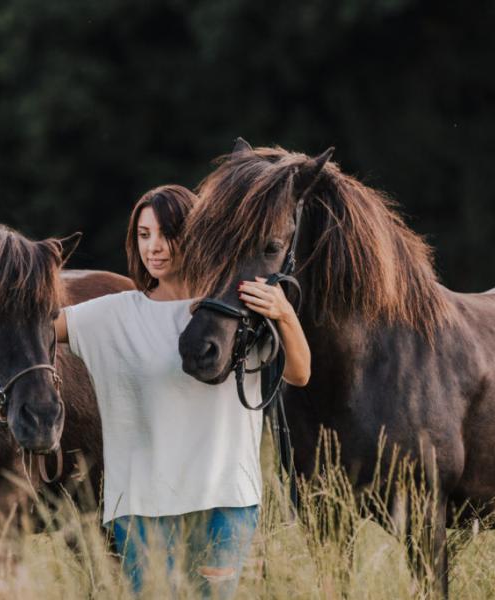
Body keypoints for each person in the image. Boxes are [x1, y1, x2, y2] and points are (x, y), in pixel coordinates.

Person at [54, 184, 311, 598]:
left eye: (167, 233)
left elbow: (299, 374)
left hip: (225, 500)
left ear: (198, 236)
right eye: (143, 234)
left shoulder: (234, 313)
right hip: (142, 507)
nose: (153, 247)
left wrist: (284, 313)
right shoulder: (112, 315)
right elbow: (34, 331)